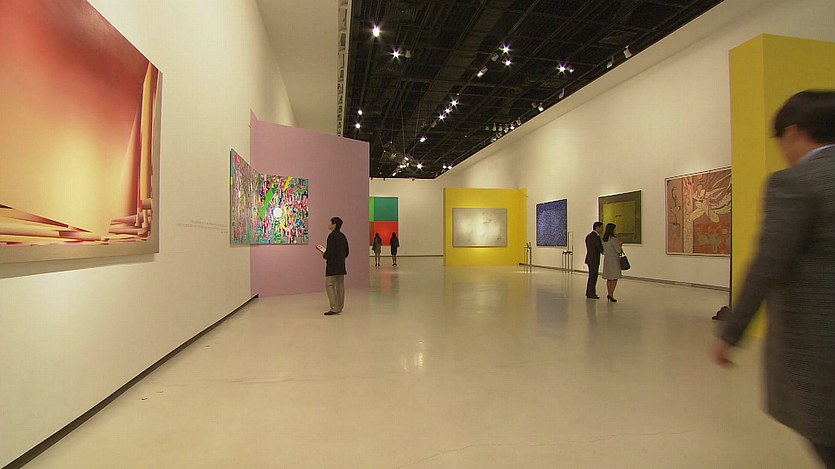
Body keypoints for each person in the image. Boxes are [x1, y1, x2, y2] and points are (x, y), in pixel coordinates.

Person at [712, 90, 835, 467]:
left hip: (822, 348)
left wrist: (731, 332)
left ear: (794, 132)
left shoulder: (795, 183)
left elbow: (769, 263)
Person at [320, 216, 349, 316]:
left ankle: (334, 307)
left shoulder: (331, 236)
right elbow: (347, 251)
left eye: (330, 222)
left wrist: (324, 254)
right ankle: (340, 306)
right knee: (340, 286)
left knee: (330, 285)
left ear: (334, 225)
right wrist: (341, 258)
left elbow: (330, 252)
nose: (328, 224)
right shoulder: (343, 236)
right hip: (341, 265)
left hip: (332, 265)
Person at [601, 223, 623, 302]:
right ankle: (611, 294)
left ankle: (609, 293)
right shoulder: (614, 239)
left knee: (609, 278)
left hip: (607, 259)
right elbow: (618, 250)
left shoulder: (604, 239)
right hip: (614, 260)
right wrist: (620, 245)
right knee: (614, 277)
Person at [584, 221, 605, 299]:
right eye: (602, 227)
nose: (602, 229)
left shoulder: (589, 236)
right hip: (594, 259)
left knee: (592, 276)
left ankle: (590, 292)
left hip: (590, 258)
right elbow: (599, 247)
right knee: (593, 277)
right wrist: (603, 251)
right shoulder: (596, 237)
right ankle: (591, 293)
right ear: (597, 227)